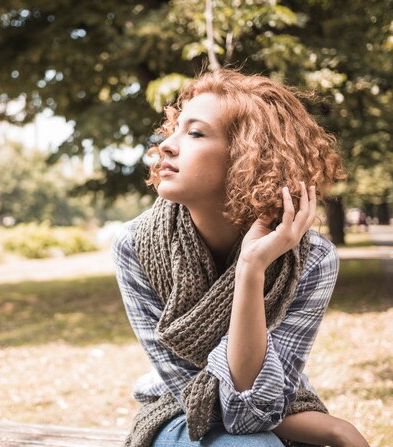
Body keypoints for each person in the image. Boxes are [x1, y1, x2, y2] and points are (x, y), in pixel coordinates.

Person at [111, 69, 370, 447]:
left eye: (195, 133)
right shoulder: (135, 245)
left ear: (250, 158)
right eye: (174, 130)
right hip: (177, 412)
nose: (164, 146)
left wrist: (251, 269)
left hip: (282, 409)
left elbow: (256, 405)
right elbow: (212, 404)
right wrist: (335, 429)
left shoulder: (312, 260)